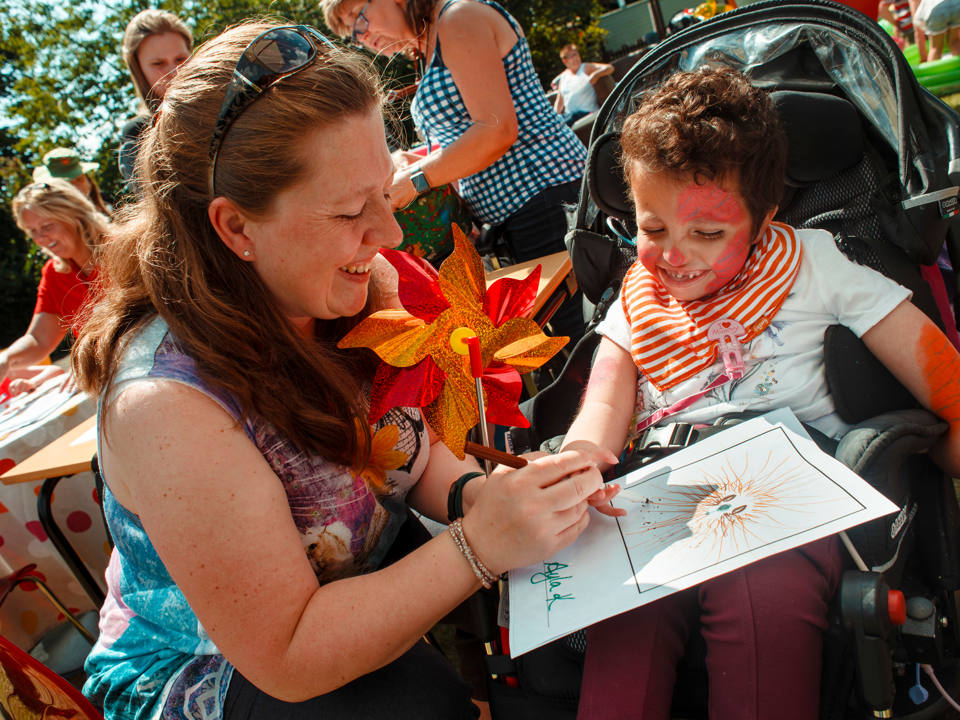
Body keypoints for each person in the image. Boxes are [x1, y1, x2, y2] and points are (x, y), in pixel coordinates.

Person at [72, 22, 614, 720]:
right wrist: (478, 546)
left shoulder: (355, 281)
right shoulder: (166, 407)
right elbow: (289, 655)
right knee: (415, 705)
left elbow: (415, 460)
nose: (389, 235)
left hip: (348, 585)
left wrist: (492, 502)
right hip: (210, 669)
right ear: (236, 229)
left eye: (383, 194)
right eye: (351, 211)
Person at [560, 66, 960, 719]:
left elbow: (945, 384)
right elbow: (602, 408)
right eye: (652, 229)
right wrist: (576, 460)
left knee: (758, 592)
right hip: (665, 496)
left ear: (765, 215)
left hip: (785, 497)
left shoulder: (816, 264)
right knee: (627, 610)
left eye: (709, 234)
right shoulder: (639, 296)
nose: (675, 257)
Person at [321, 0, 588, 340]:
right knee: (567, 342)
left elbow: (496, 129)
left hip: (546, 200)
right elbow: (467, 139)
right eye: (352, 34)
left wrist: (417, 180)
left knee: (582, 336)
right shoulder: (431, 42)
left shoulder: (458, 18)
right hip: (522, 214)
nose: (363, 36)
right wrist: (416, 162)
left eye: (359, 17)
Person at [3, 180, 106, 386]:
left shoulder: (121, 247)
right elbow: (39, 340)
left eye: (47, 226)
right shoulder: (54, 273)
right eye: (32, 231)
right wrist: (6, 359)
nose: (40, 238)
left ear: (75, 216)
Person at [117, 9, 192, 189]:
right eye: (158, 64)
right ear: (139, 69)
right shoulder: (137, 134)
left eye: (181, 59)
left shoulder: (225, 105)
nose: (174, 71)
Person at [32, 147, 110, 216]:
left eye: (79, 179)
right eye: (67, 183)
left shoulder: (109, 209)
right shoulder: (49, 220)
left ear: (88, 181)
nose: (77, 187)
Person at [550, 44, 613, 126]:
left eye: (576, 54)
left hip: (587, 113)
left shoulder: (585, 68)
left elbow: (609, 68)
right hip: (570, 116)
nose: (575, 58)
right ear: (565, 61)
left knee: (563, 123)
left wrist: (596, 75)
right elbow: (559, 102)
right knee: (554, 124)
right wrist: (554, 117)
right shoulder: (563, 77)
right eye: (571, 56)